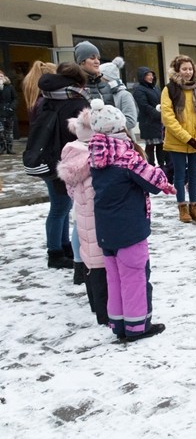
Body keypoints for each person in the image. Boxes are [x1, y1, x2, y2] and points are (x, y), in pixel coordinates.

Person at [88, 99, 174, 342]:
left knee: (114, 277)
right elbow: (153, 181)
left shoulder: (96, 154)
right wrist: (165, 175)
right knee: (135, 277)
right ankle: (137, 327)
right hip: (130, 228)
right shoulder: (126, 156)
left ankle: (118, 323)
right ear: (119, 127)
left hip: (106, 229)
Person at [36, 62, 91, 269]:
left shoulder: (47, 97)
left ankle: (64, 245)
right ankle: (55, 252)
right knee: (60, 207)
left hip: (47, 156)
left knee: (61, 206)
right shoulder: (74, 101)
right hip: (65, 160)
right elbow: (81, 133)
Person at [57, 106, 108, 325]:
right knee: (100, 262)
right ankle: (104, 311)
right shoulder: (94, 159)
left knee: (89, 260)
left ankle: (94, 305)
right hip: (99, 219)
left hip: (82, 215)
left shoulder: (70, 152)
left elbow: (70, 188)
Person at [160, 55, 196, 223]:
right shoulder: (169, 89)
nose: (187, 72)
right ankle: (182, 207)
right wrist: (187, 138)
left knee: (194, 174)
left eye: (190, 69)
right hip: (177, 142)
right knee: (180, 176)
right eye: (184, 69)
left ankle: (194, 206)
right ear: (177, 70)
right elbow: (168, 118)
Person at [133, 67, 165, 166]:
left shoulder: (156, 88)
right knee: (150, 145)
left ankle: (162, 165)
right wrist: (159, 115)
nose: (151, 77)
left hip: (159, 121)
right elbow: (144, 106)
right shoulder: (139, 89)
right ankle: (150, 166)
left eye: (151, 75)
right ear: (142, 77)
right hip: (148, 122)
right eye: (148, 75)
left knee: (161, 145)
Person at [74, 41, 114, 105]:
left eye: (98, 58)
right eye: (92, 58)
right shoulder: (74, 86)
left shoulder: (105, 84)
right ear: (81, 61)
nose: (97, 62)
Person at [0, 69, 18, 154]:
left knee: (9, 131)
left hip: (9, 111)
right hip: (0, 112)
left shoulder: (10, 87)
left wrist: (12, 107)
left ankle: (9, 148)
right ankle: (2, 146)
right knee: (1, 131)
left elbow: (15, 98)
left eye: (1, 76)